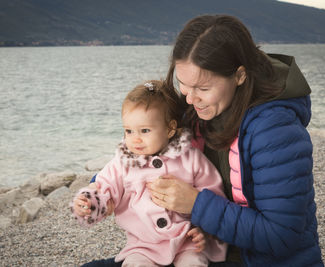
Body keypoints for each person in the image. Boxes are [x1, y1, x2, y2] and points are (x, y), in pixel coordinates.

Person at [145, 15, 324, 266]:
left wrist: (196, 204)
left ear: (239, 75)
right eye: (183, 84)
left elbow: (282, 236)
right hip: (202, 249)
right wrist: (102, 188)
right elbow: (152, 146)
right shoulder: (199, 110)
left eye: (203, 89)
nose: (190, 99)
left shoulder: (274, 130)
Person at [71, 80, 227, 266]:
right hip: (143, 245)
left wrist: (203, 230)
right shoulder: (123, 163)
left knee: (194, 263)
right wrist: (88, 203)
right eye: (128, 131)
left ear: (169, 129)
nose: (135, 139)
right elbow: (104, 188)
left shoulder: (190, 158)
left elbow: (212, 196)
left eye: (145, 130)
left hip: (186, 240)